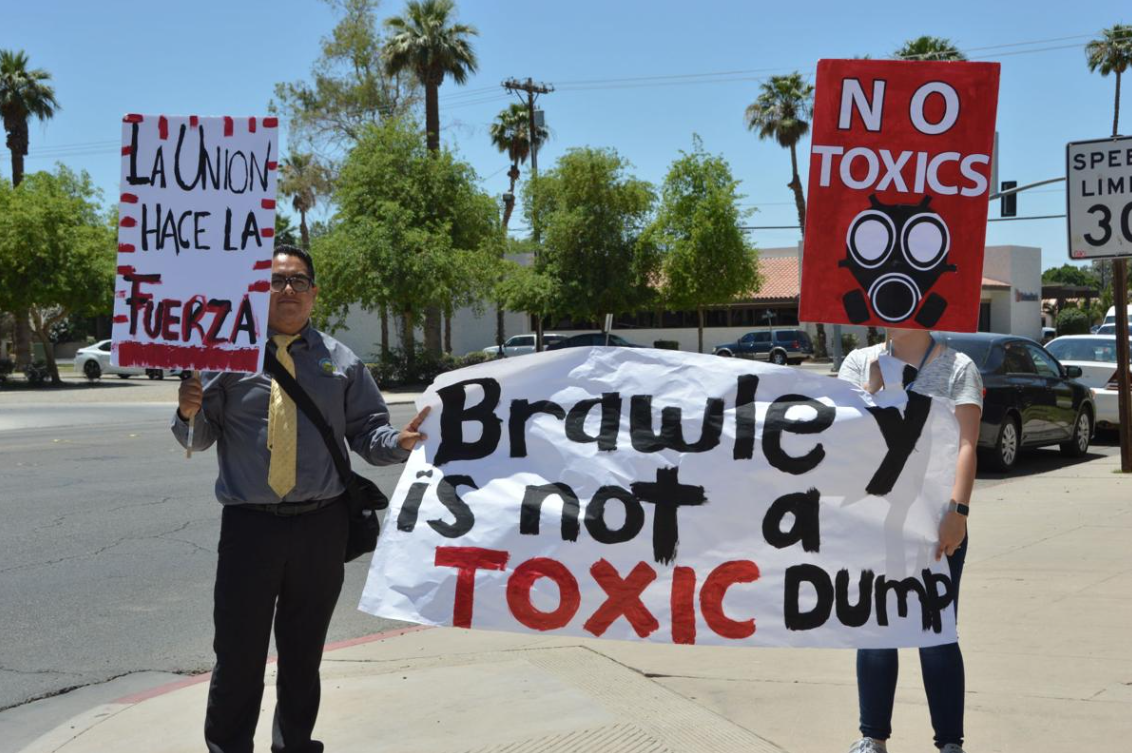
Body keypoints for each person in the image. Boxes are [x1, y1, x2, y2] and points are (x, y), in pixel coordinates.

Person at [173, 244, 428, 753]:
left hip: (321, 527)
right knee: (239, 654)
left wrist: (397, 444)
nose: (287, 290)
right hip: (250, 529)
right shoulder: (224, 359)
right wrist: (186, 412)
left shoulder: (342, 361)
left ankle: (293, 744)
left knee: (302, 652)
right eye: (275, 281)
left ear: (313, 293)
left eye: (298, 281)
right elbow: (197, 440)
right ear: (256, 291)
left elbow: (368, 433)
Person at [837, 327, 982, 753]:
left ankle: (949, 744)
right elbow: (846, 441)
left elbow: (967, 444)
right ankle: (873, 738)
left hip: (936, 526)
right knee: (876, 629)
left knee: (936, 633)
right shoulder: (858, 363)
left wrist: (958, 512)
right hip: (875, 524)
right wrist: (872, 390)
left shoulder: (957, 367)